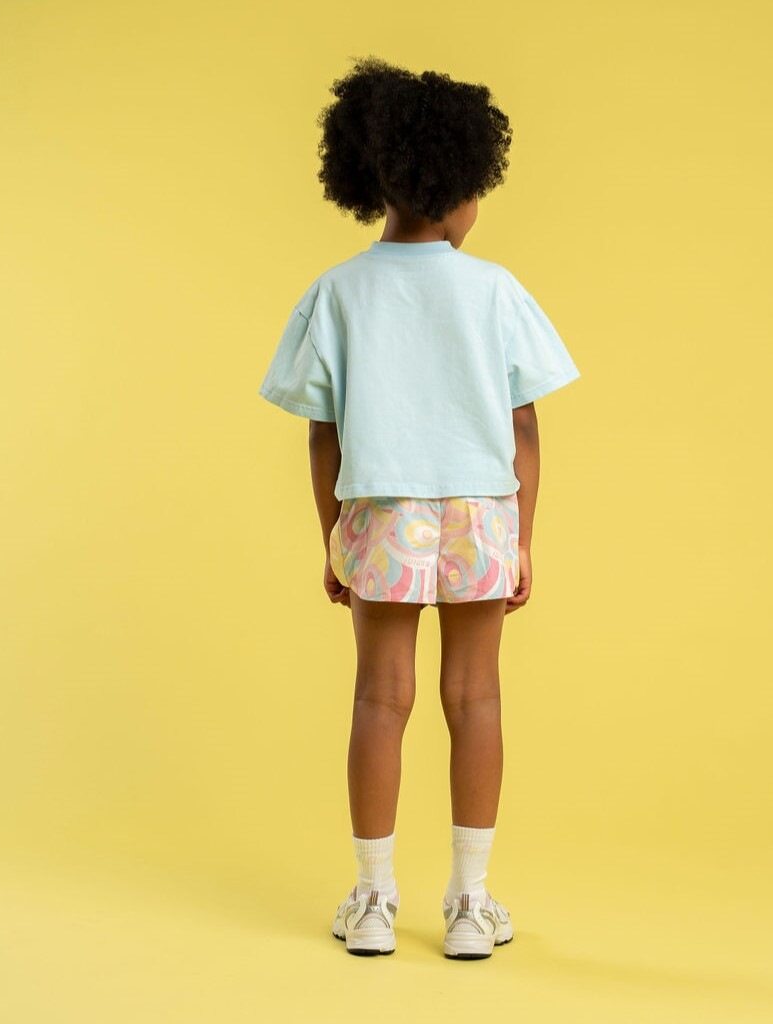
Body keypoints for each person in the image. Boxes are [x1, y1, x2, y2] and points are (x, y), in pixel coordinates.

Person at [258, 56, 581, 959]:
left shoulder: (337, 291)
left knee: (379, 696)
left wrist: (333, 536)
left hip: (380, 509)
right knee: (475, 697)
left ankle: (372, 900)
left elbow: (322, 434)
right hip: (481, 510)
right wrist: (523, 539)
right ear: (460, 185)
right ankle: (470, 906)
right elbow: (525, 427)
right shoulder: (496, 290)